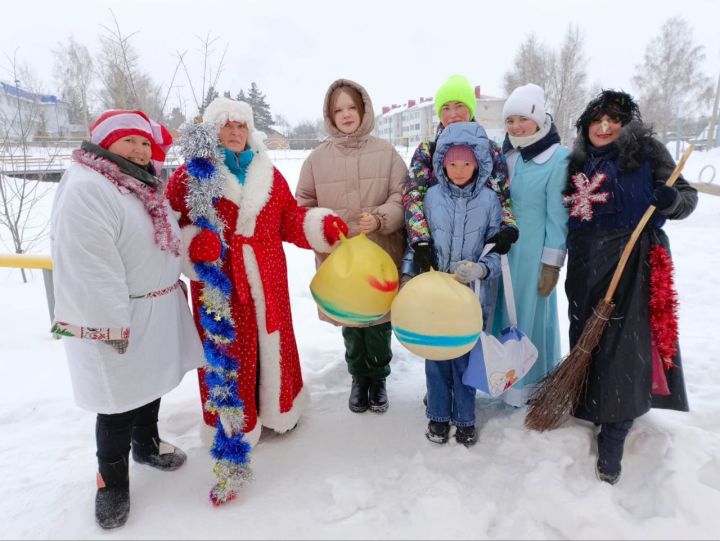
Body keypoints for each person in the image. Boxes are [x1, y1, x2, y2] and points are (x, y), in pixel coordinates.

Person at [165, 96, 348, 453]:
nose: (234, 132)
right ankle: (236, 423)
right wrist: (192, 247)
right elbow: (169, 226)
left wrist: (320, 226)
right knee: (229, 349)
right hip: (220, 282)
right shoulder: (192, 175)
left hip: (268, 277)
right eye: (226, 126)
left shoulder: (268, 173)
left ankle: (280, 409)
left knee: (272, 343)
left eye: (240, 126)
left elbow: (289, 218)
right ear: (213, 130)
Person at [50, 110, 204, 529]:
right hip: (116, 313)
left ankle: (147, 444)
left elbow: (164, 240)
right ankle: (111, 480)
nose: (139, 150)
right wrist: (109, 324)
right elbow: (87, 262)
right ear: (104, 142)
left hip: (155, 306)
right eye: (128, 141)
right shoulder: (87, 186)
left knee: (149, 384)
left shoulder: (142, 184)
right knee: (116, 401)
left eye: (144, 143)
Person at [563, 90, 697, 485]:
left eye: (613, 119)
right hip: (586, 262)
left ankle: (616, 429)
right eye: (596, 120)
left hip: (634, 258)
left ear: (626, 123)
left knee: (625, 345)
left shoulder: (649, 153)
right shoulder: (577, 161)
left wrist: (671, 202)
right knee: (588, 337)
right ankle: (589, 405)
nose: (604, 127)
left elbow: (686, 198)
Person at [296, 79, 407, 414]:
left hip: (379, 255)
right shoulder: (316, 159)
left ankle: (380, 377)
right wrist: (321, 228)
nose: (346, 114)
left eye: (351, 108)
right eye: (338, 109)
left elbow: (402, 196)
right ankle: (359, 377)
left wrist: (382, 218)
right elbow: (302, 204)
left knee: (378, 325)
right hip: (339, 260)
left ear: (363, 111)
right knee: (352, 324)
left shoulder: (386, 153)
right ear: (330, 116)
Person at [421, 121, 502, 447]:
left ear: (479, 164)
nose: (458, 169)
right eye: (451, 163)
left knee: (465, 360)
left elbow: (498, 253)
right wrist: (411, 277)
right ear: (442, 162)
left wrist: (482, 270)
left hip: (471, 298)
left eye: (466, 163)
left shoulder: (489, 201)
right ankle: (438, 416)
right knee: (436, 358)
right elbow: (418, 241)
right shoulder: (430, 197)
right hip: (436, 297)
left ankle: (466, 418)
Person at [491, 83, 570, 407]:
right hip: (503, 250)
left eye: (522, 119)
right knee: (503, 315)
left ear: (538, 118)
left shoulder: (557, 158)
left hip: (534, 253)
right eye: (510, 121)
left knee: (530, 316)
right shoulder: (503, 154)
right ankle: (500, 379)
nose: (516, 127)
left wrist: (552, 263)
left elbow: (557, 216)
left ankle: (531, 387)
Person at [402, 74, 517, 279]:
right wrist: (420, 240)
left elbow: (501, 197)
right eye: (445, 108)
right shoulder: (428, 150)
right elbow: (413, 196)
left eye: (459, 106)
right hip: (436, 252)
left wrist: (507, 227)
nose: (452, 114)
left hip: (474, 254)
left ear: (471, 109)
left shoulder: (490, 150)